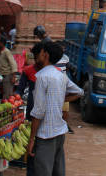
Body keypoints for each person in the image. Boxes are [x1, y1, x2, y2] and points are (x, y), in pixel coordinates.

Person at [27, 42, 83, 176]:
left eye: (40, 52)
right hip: (59, 133)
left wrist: (31, 139)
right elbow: (79, 92)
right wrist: (60, 99)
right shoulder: (60, 75)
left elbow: (39, 111)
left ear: (45, 54)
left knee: (42, 171)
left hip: (45, 134)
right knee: (58, 172)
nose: (38, 54)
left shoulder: (42, 76)